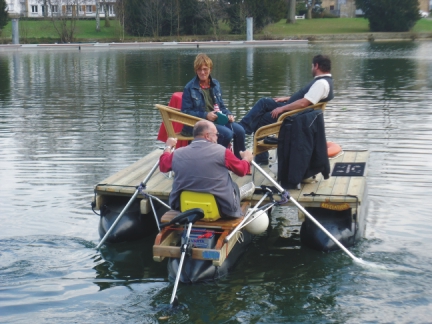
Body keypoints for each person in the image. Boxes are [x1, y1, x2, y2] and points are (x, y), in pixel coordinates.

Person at [238, 54, 334, 164]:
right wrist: (287, 98)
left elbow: (304, 103)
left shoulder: (321, 83)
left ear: (316, 66)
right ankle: (244, 130)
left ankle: (243, 129)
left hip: (291, 115)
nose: (311, 68)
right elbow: (309, 99)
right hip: (294, 111)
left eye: (312, 66)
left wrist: (282, 108)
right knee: (264, 103)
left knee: (260, 118)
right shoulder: (325, 81)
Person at [160, 120, 253, 218]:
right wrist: (246, 158)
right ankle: (240, 194)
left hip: (183, 206)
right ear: (207, 136)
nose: (218, 137)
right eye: (216, 134)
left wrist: (168, 146)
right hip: (221, 209)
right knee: (233, 185)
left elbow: (163, 166)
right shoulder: (223, 152)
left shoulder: (177, 153)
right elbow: (242, 171)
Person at [181, 53, 246, 160]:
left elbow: (222, 107)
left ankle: (239, 162)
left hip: (217, 121)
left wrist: (228, 114)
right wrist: (206, 115)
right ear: (196, 71)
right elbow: (185, 112)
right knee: (227, 134)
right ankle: (217, 161)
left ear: (210, 69)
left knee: (240, 131)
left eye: (205, 69)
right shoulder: (189, 87)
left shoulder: (215, 84)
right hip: (199, 124)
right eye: (199, 69)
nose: (202, 72)